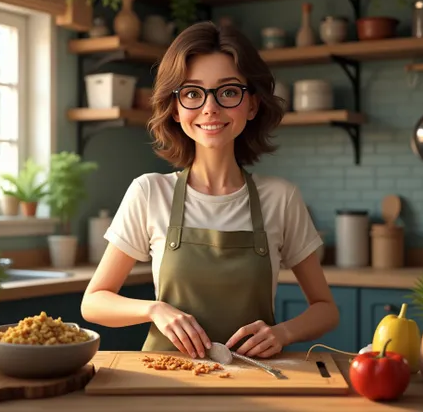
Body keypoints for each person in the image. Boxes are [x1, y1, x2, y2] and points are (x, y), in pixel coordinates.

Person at [81, 21, 339, 360]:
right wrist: (154, 310)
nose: (210, 108)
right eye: (192, 93)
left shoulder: (280, 197)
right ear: (175, 108)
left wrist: (283, 332)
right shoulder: (148, 192)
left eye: (229, 91)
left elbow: (326, 309)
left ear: (252, 105)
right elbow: (94, 301)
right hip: (168, 380)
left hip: (257, 378)